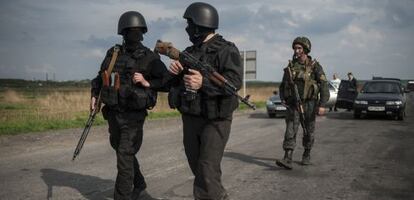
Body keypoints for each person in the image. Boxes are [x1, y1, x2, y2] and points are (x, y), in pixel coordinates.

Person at [167, 2, 242, 199]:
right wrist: (176, 71)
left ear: (201, 23)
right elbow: (176, 82)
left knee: (207, 167)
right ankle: (218, 195)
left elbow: (234, 83)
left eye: (190, 23)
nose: (187, 28)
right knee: (197, 165)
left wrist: (203, 82)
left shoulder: (227, 49)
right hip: (192, 116)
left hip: (216, 118)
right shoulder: (189, 52)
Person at [90, 11, 169, 200]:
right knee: (120, 150)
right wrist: (94, 95)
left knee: (124, 155)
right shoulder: (114, 54)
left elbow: (167, 81)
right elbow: (101, 77)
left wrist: (147, 82)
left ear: (142, 33)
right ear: (123, 32)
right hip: (113, 112)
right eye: (130, 31)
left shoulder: (150, 58)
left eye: (137, 31)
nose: (134, 34)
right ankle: (139, 183)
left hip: (133, 117)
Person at [276, 36, 329, 169]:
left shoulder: (315, 66)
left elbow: (323, 85)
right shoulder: (291, 66)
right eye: (295, 48)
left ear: (305, 49)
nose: (296, 50)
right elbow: (283, 84)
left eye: (299, 48)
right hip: (293, 104)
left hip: (309, 104)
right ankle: (287, 157)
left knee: (308, 130)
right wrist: (283, 97)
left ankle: (307, 153)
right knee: (290, 129)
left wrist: (322, 104)